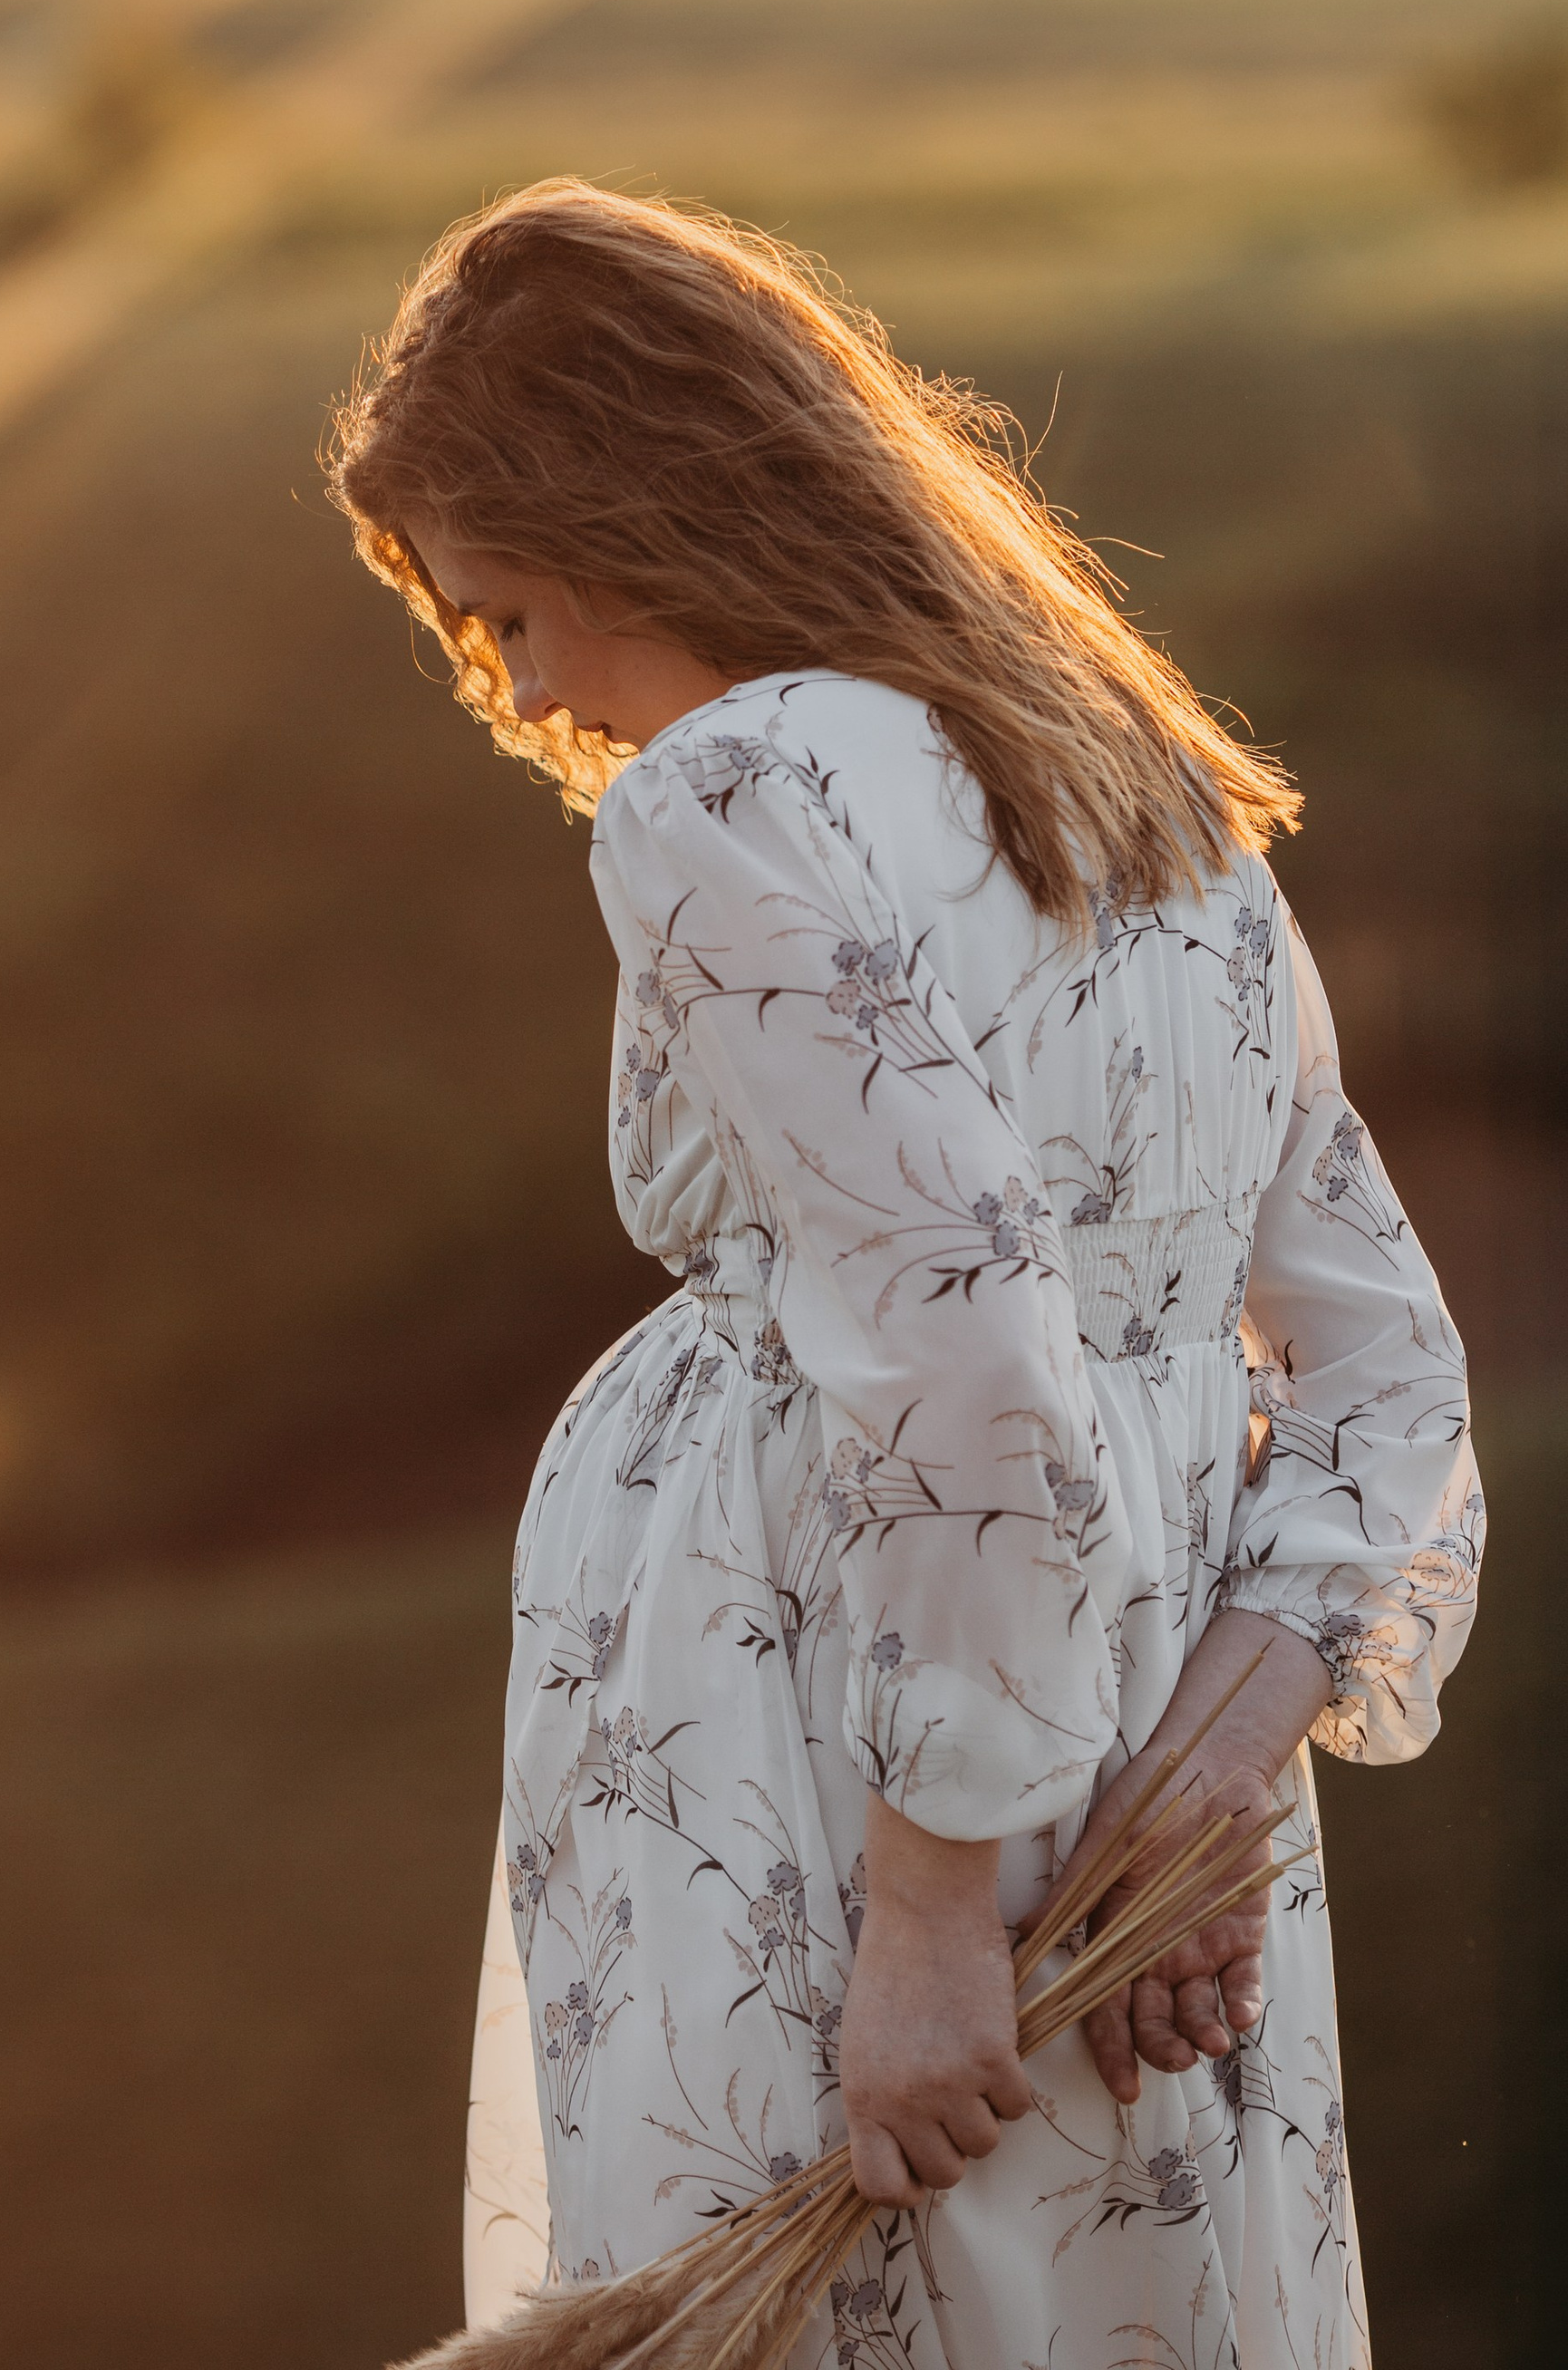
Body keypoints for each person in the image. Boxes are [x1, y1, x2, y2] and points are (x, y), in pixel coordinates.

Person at [324, 182, 1481, 2370]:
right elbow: (1385, 1381)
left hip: (829, 1758)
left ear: (629, 512)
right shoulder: (1147, 797)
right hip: (1130, 1726)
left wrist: (934, 1900)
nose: (531, 691)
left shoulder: (729, 790)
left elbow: (963, 1349)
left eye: (505, 615)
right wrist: (1196, 1786)